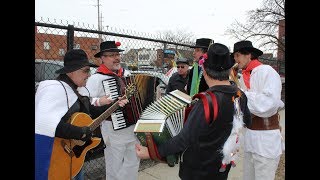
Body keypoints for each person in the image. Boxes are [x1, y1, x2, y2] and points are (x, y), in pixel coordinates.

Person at [136, 43, 252, 180]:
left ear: (205, 70)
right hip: (222, 165)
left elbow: (183, 139)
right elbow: (247, 121)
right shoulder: (240, 95)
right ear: (229, 70)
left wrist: (151, 152)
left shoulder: (206, 102)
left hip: (198, 170)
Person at [35, 49, 127, 180]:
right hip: (55, 156)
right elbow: (45, 126)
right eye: (85, 71)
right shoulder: (53, 89)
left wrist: (115, 106)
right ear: (71, 72)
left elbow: (91, 111)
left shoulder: (78, 90)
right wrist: (79, 132)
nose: (89, 75)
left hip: (74, 155)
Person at [83, 41, 141, 180]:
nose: (117, 58)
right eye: (111, 55)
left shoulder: (127, 74)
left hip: (133, 126)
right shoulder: (96, 78)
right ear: (102, 58)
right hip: (112, 128)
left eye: (117, 54)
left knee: (133, 162)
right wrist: (99, 101)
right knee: (114, 165)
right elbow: (84, 101)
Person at [232, 40, 284, 180]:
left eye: (238, 55)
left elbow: (268, 104)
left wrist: (241, 95)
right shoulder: (243, 77)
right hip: (250, 138)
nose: (235, 60)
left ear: (248, 54)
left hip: (266, 139)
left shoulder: (266, 71)